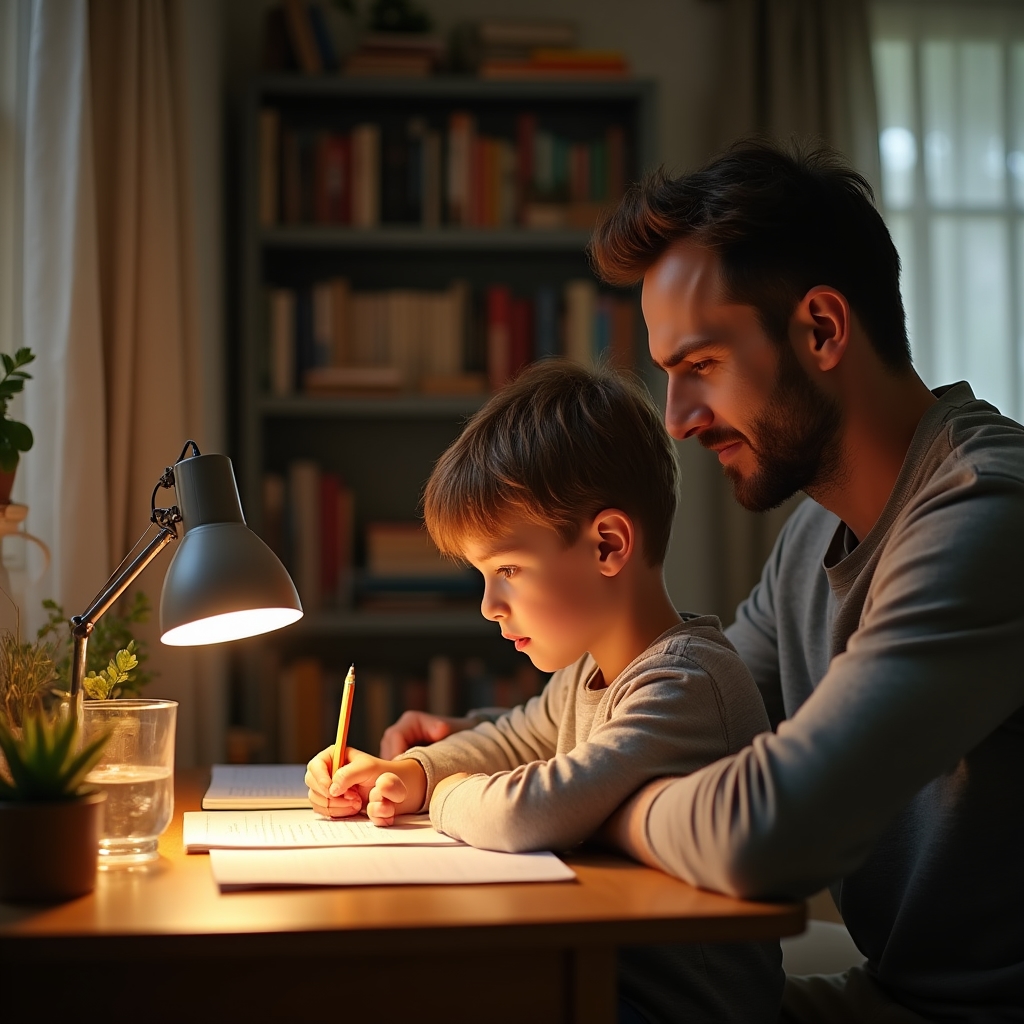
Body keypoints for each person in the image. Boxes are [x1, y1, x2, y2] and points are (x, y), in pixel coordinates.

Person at [380, 142, 1024, 1023]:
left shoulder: (988, 514)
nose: (677, 421)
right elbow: (675, 698)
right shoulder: (813, 538)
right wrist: (474, 740)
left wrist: (578, 803)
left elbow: (765, 831)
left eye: (701, 367)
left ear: (823, 329)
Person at [306, 360, 784, 1022]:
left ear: (608, 545)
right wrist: (407, 772)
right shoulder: (587, 674)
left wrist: (438, 795)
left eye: (507, 569)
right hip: (602, 980)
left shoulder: (683, 683)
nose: (489, 605)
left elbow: (531, 811)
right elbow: (510, 739)